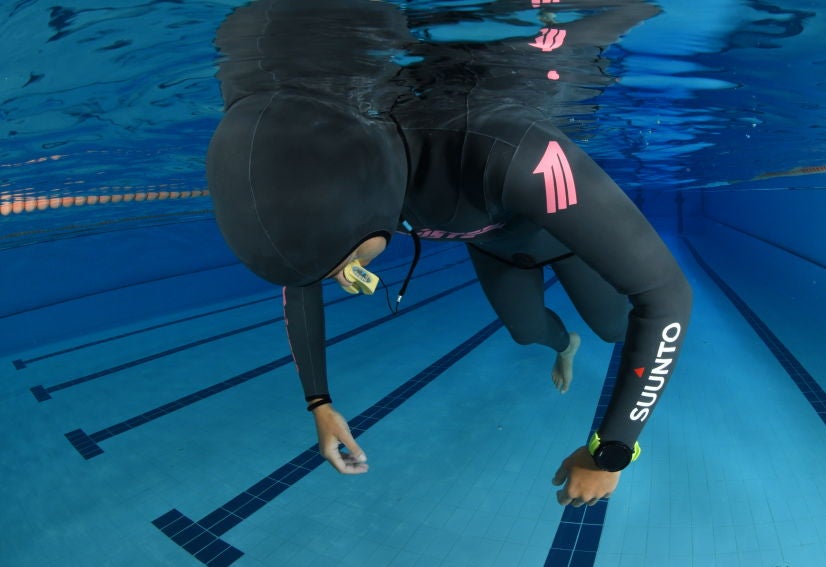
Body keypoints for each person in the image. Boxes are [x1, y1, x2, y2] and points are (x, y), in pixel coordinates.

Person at [206, 0, 691, 508]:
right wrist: (320, 404)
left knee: (616, 328)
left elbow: (665, 297)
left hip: (567, 243)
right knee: (529, 334)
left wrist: (610, 451)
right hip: (495, 248)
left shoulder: (507, 152)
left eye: (340, 264)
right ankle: (563, 345)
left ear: (366, 208)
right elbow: (301, 273)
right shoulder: (335, 179)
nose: (343, 276)